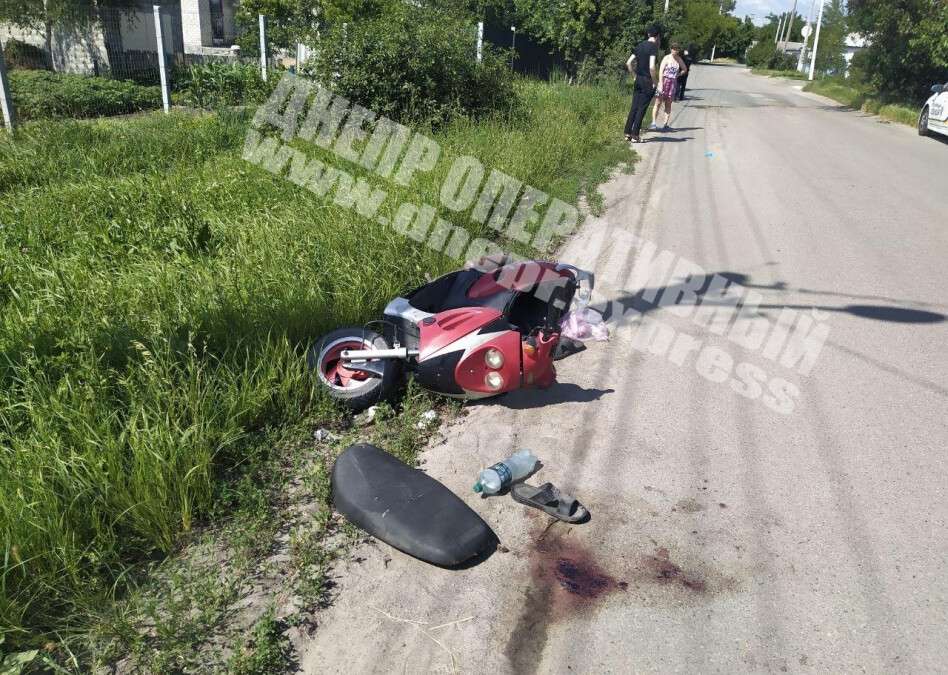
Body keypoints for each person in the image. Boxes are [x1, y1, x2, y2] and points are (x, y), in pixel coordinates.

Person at [623, 25, 660, 144]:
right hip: (647, 80)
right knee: (642, 108)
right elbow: (652, 67)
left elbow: (628, 63)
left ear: (648, 34)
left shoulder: (639, 45)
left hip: (638, 79)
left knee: (634, 106)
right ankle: (635, 135)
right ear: (657, 36)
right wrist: (655, 82)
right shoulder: (654, 47)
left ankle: (627, 133)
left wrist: (634, 76)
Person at [649, 43, 687, 132]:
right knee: (658, 102)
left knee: (668, 104)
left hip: (673, 83)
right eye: (673, 49)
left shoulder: (679, 59)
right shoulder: (666, 58)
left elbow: (685, 69)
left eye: (677, 49)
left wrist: (677, 75)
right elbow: (661, 71)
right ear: (671, 49)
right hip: (664, 81)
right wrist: (661, 83)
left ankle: (665, 124)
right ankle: (653, 123)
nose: (675, 50)